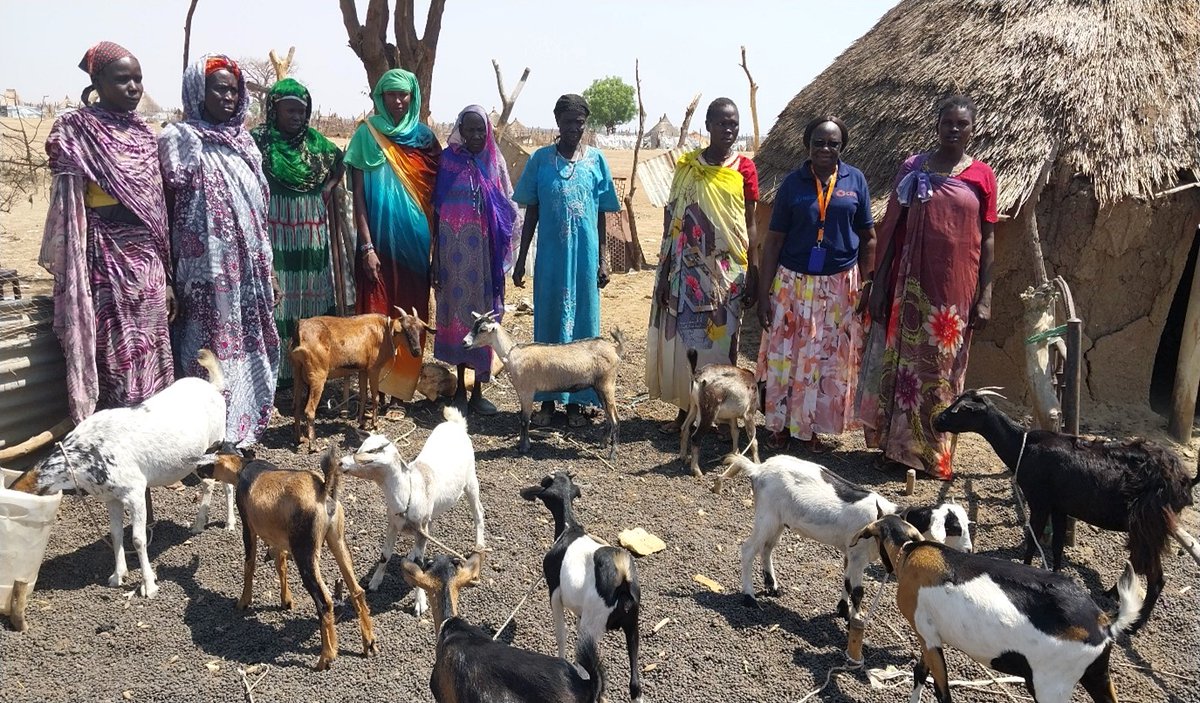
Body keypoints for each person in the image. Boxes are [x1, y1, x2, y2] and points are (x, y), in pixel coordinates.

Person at [858, 95, 997, 480]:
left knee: (942, 375)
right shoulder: (912, 168)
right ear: (936, 125)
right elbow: (891, 229)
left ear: (972, 129)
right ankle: (895, 448)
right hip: (911, 286)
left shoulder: (982, 177)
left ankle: (933, 454)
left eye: (962, 124)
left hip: (954, 292)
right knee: (903, 365)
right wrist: (880, 283)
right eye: (948, 122)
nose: (954, 129)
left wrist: (985, 295)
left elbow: (987, 238)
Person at [40, 41, 174, 423]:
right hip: (105, 254)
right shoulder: (77, 129)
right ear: (97, 81)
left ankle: (156, 433)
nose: (133, 88)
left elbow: (157, 205)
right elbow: (68, 198)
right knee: (117, 347)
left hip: (147, 256)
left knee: (152, 342)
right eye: (122, 80)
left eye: (138, 80)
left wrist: (166, 273)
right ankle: (121, 432)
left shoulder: (146, 135)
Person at [159, 54, 279, 446]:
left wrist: (270, 271)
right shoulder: (178, 140)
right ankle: (201, 437)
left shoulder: (245, 143)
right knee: (206, 348)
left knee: (246, 344)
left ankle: (240, 426)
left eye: (234, 89)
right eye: (219, 88)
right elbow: (161, 209)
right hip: (202, 275)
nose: (228, 96)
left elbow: (260, 214)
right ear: (198, 91)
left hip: (249, 272)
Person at [756, 116, 876, 452]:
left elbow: (868, 237)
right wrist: (766, 295)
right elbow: (774, 240)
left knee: (825, 359)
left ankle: (812, 431)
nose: (825, 149)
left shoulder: (856, 181)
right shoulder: (792, 184)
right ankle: (779, 425)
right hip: (793, 283)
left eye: (832, 143)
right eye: (818, 143)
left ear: (842, 147)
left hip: (840, 286)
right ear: (807, 146)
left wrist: (869, 283)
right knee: (787, 353)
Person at [646, 98, 759, 432]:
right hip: (687, 270)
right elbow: (673, 217)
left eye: (734, 124)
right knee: (687, 342)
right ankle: (686, 411)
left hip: (729, 273)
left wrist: (753, 270)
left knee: (723, 341)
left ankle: (721, 415)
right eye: (722, 123)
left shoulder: (744, 168)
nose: (729, 130)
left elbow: (750, 222)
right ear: (707, 125)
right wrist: (666, 271)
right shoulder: (688, 167)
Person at [512, 94, 621, 428]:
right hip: (550, 261)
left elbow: (602, 213)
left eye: (580, 122)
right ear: (557, 122)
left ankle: (576, 402)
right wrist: (520, 261)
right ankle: (547, 401)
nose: (575, 128)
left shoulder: (597, 161)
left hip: (585, 261)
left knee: (584, 329)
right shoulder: (541, 161)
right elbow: (532, 211)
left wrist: (603, 259)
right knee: (548, 327)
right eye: (569, 121)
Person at [344, 68, 439, 402]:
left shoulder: (426, 140)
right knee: (377, 313)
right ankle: (375, 391)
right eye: (390, 95)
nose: (397, 102)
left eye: (404, 95)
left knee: (412, 314)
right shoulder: (365, 136)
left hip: (415, 242)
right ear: (379, 98)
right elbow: (358, 197)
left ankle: (400, 393)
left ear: (413, 97)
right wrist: (366, 245)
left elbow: (437, 196)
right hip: (377, 243)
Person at [250, 78, 344, 383]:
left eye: (300, 112)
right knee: (278, 296)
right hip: (274, 223)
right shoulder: (258, 141)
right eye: (288, 110)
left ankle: (310, 367)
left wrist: (328, 187)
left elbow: (341, 164)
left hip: (310, 226)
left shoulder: (317, 144)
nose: (295, 117)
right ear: (273, 111)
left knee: (309, 295)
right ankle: (276, 373)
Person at [431, 105, 519, 415]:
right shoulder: (448, 162)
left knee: (483, 318)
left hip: (485, 256)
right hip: (453, 258)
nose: (476, 135)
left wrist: (501, 234)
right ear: (460, 130)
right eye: (470, 130)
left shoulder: (495, 161)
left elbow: (509, 206)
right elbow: (437, 210)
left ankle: (478, 390)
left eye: (481, 129)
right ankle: (457, 389)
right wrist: (435, 260)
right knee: (456, 316)